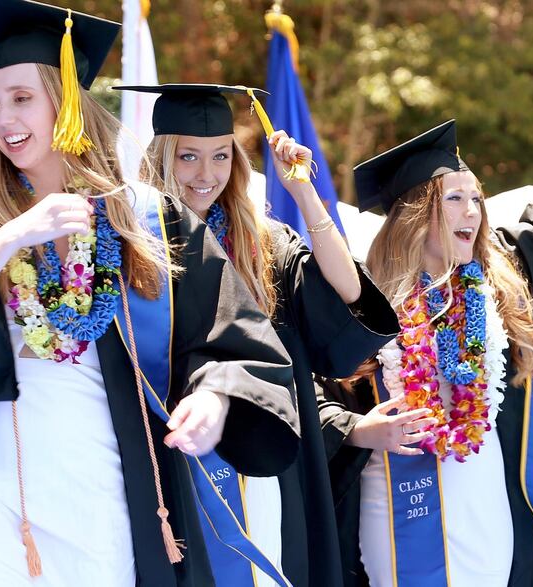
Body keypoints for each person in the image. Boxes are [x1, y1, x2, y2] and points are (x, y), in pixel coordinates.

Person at [0, 1, 300, 586]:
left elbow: (232, 334)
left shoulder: (144, 219)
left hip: (101, 480)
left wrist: (216, 401)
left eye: (23, 98)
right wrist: (10, 240)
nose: (4, 119)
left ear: (65, 101)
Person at [318, 52, 533, 587]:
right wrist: (357, 430)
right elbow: (316, 390)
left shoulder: (500, 283)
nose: (473, 211)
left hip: (489, 512)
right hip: (394, 512)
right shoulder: (366, 301)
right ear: (417, 212)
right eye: (455, 198)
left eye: (477, 198)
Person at [112, 82, 400, 587]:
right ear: (160, 159)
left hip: (264, 453)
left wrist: (305, 193)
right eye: (188, 157)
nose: (206, 175)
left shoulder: (261, 243)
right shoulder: (132, 248)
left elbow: (349, 294)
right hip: (176, 456)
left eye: (220, 156)